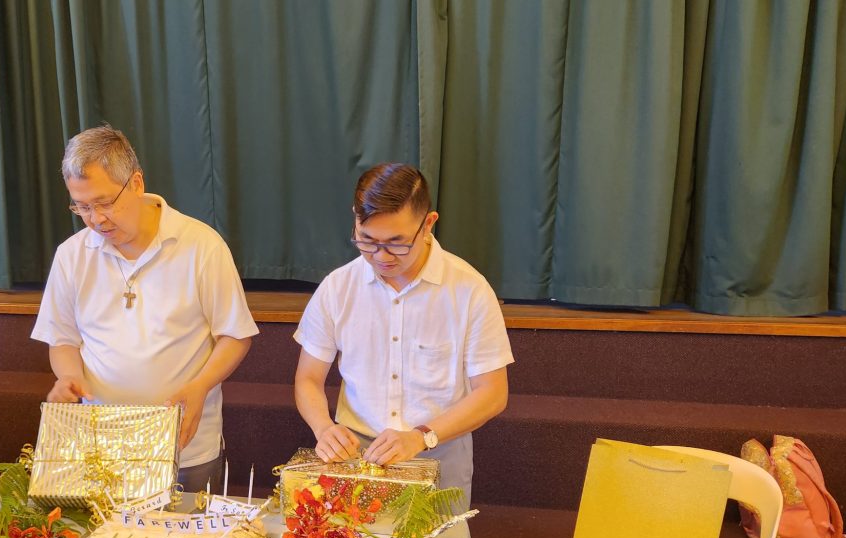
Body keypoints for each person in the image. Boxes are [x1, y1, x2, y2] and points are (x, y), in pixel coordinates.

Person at [33, 125, 258, 492]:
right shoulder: (72, 255)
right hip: (100, 447)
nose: (96, 219)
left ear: (136, 183)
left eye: (105, 202)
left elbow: (235, 335)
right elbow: (62, 339)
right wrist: (69, 378)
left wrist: (201, 385)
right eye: (83, 207)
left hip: (184, 446)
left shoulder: (201, 245)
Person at [293, 163, 513, 502]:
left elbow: (493, 393)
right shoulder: (338, 287)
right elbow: (308, 378)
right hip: (355, 452)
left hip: (437, 449)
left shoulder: (469, 289)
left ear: (428, 224)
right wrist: (323, 427)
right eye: (367, 240)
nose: (381, 256)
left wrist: (421, 436)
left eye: (397, 243)